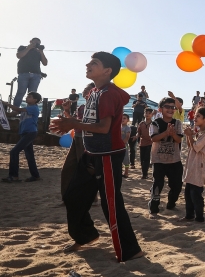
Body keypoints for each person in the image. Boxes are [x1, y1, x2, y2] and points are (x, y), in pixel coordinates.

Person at [50, 51, 143, 262]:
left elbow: (103, 127)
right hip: (91, 152)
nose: (88, 64)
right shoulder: (93, 92)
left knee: (110, 203)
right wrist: (68, 120)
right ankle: (86, 235)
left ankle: (131, 251)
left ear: (107, 71)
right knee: (73, 195)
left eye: (94, 62)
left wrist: (73, 124)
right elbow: (87, 123)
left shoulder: (108, 93)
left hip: (109, 155)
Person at [148, 97, 184, 218]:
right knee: (158, 184)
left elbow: (178, 140)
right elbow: (153, 139)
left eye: (172, 107)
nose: (170, 109)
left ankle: (171, 204)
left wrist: (173, 134)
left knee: (177, 185)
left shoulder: (178, 123)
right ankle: (153, 207)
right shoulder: (155, 123)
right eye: (167, 107)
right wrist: (165, 133)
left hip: (174, 159)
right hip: (158, 160)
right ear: (160, 109)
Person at [179, 107, 205, 223]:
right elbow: (191, 146)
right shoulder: (199, 132)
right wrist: (189, 135)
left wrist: (189, 135)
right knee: (188, 193)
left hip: (199, 167)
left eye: (198, 116)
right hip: (192, 165)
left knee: (196, 194)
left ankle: (199, 217)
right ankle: (189, 215)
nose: (195, 118)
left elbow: (196, 147)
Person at [60, 82, 95, 198]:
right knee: (68, 168)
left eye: (87, 89)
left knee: (85, 169)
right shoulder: (81, 107)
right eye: (84, 89)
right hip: (77, 138)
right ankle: (67, 196)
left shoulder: (96, 107)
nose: (84, 91)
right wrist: (67, 111)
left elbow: (93, 125)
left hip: (87, 140)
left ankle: (91, 197)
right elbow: (73, 121)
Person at [2, 91, 42, 182]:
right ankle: (35, 176)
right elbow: (11, 114)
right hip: (25, 133)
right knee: (29, 155)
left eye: (29, 97)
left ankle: (14, 176)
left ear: (35, 100)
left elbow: (18, 109)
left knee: (14, 152)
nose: (27, 98)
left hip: (30, 133)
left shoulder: (34, 108)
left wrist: (5, 103)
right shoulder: (27, 108)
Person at [13, 38, 48, 108]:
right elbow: (19, 55)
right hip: (24, 73)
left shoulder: (38, 52)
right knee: (20, 92)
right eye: (35, 43)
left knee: (33, 95)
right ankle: (15, 110)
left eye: (38, 43)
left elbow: (45, 63)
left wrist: (41, 52)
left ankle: (29, 111)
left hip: (36, 75)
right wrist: (29, 47)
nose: (36, 44)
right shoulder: (23, 47)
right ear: (30, 42)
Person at [136, 108, 154, 179]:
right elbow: (139, 132)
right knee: (142, 159)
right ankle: (144, 173)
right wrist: (136, 136)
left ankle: (145, 174)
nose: (147, 114)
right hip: (142, 143)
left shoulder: (153, 124)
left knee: (147, 158)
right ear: (144, 114)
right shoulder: (141, 123)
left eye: (149, 113)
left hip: (150, 143)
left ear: (152, 114)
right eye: (146, 113)